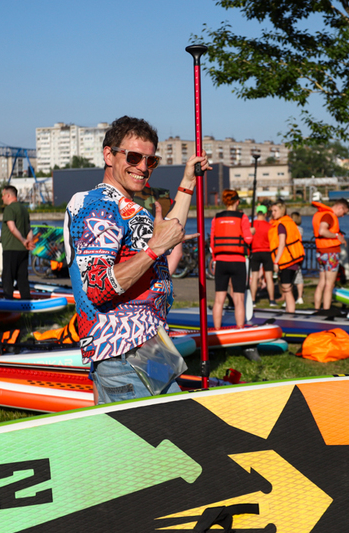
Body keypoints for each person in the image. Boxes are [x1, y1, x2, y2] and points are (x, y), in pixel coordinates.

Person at [65, 115, 210, 405]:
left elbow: (170, 232)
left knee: (174, 435)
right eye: (133, 157)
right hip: (122, 353)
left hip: (150, 345)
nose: (143, 168)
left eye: (150, 160)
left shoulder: (128, 207)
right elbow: (97, 286)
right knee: (149, 445)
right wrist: (155, 249)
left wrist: (187, 182)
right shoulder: (98, 207)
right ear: (109, 155)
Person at [210, 190, 253, 329]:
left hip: (221, 262)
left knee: (218, 300)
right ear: (237, 201)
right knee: (239, 299)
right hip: (238, 261)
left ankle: (216, 330)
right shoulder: (243, 218)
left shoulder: (216, 218)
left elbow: (212, 242)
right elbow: (248, 239)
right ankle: (240, 329)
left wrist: (215, 259)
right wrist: (251, 232)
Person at [268, 199, 305, 313]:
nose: (273, 213)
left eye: (275, 210)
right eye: (272, 211)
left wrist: (276, 262)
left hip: (287, 261)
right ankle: (289, 313)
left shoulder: (281, 225)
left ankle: (290, 315)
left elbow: (282, 243)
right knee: (287, 289)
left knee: (287, 290)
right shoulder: (289, 222)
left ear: (282, 210)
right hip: (293, 260)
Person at [312, 198, 349, 310]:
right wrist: (337, 236)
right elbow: (322, 231)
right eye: (344, 213)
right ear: (340, 207)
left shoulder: (321, 213)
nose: (343, 216)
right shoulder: (328, 215)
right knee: (329, 285)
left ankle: (317, 310)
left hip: (321, 252)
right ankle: (326, 311)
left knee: (321, 283)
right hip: (330, 253)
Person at [0, 186, 34, 300]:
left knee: (7, 278)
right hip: (23, 250)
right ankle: (26, 302)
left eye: (3, 195)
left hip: (11, 247)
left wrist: (24, 240)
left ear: (9, 195)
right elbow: (29, 229)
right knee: (22, 278)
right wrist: (29, 241)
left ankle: (8, 302)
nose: (2, 198)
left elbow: (12, 228)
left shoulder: (9, 209)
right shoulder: (24, 209)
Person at [249, 205, 276, 306]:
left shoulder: (251, 225)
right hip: (267, 252)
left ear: (256, 213)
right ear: (265, 214)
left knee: (254, 277)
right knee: (269, 277)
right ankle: (272, 300)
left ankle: (253, 300)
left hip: (255, 252)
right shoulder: (269, 226)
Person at [289, 211, 305, 305]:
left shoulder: (291, 229)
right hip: (299, 254)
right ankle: (299, 297)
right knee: (299, 274)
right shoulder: (301, 229)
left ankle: (291, 296)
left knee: (290, 276)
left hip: (291, 254)